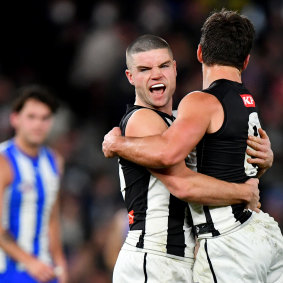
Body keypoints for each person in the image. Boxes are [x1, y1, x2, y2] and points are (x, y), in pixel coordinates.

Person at [103, 33, 274, 282]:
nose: (156, 75)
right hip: (153, 259)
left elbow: (220, 172)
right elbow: (182, 184)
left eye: (163, 66)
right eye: (144, 69)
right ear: (130, 77)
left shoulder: (178, 124)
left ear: (174, 68)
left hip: (178, 260)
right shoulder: (143, 120)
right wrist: (244, 192)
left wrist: (262, 161)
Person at [0, 85, 68, 283]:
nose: (38, 124)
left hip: (45, 270)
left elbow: (52, 216)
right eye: (31, 117)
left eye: (45, 118)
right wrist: (30, 262)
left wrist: (60, 262)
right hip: (9, 270)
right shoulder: (4, 161)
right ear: (15, 119)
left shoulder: (55, 161)